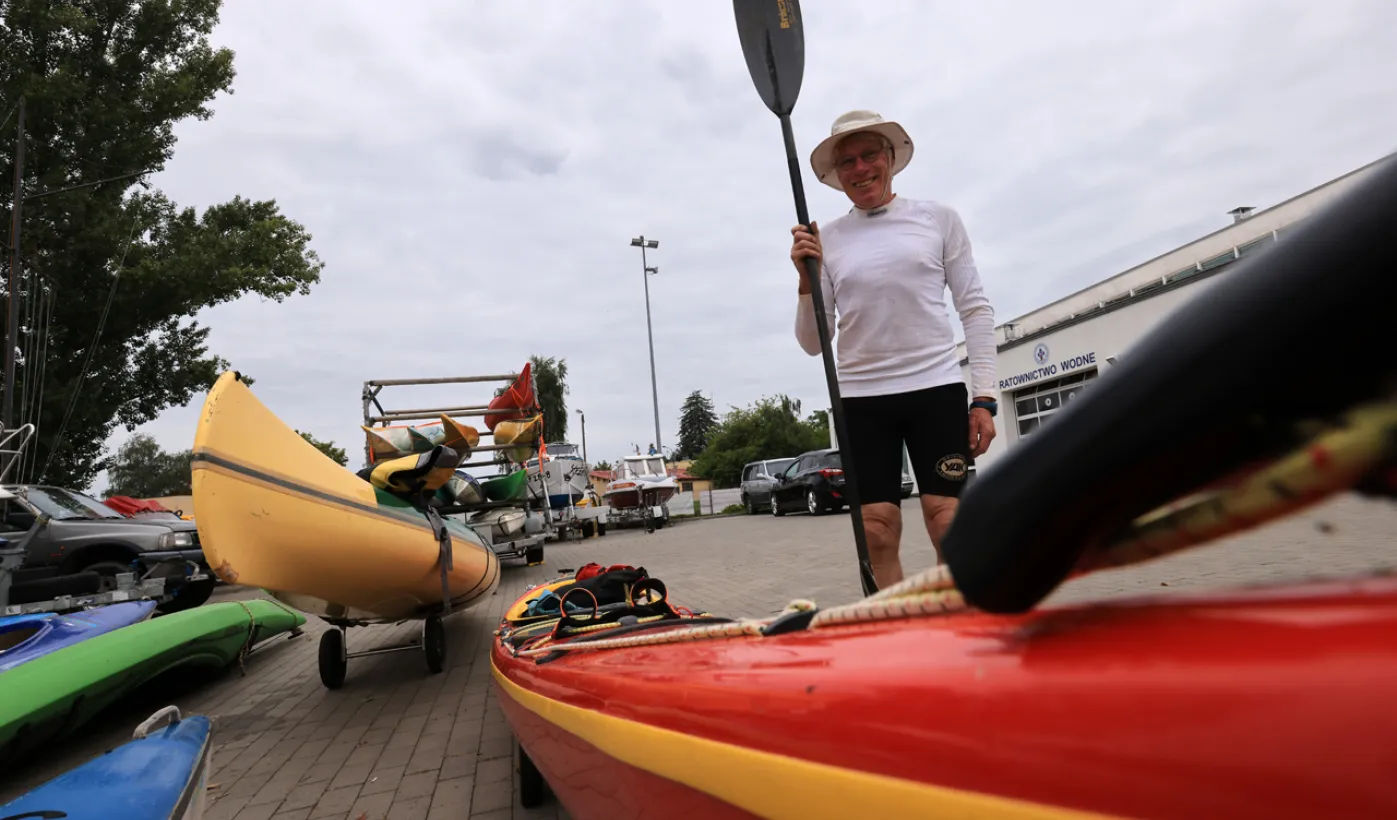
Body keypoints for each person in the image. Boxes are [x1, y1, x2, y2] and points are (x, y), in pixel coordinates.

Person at [790, 110, 999, 588]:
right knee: (876, 531)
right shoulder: (826, 240)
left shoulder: (938, 219)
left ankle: (967, 627)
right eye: (848, 162)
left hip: (936, 388)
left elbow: (976, 309)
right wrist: (807, 281)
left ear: (891, 159)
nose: (861, 169)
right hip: (862, 399)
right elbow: (811, 343)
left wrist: (984, 397)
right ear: (836, 174)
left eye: (869, 156)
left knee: (949, 521)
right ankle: (894, 634)